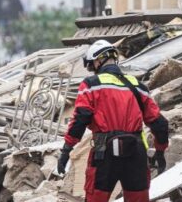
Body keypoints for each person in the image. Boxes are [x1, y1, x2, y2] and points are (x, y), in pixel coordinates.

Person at [57, 40, 169, 202]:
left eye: (91, 66)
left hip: (105, 154)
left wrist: (66, 150)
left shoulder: (91, 85)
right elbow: (159, 123)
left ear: (97, 61)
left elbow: (81, 118)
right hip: (136, 155)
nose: (92, 70)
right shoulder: (138, 86)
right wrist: (160, 152)